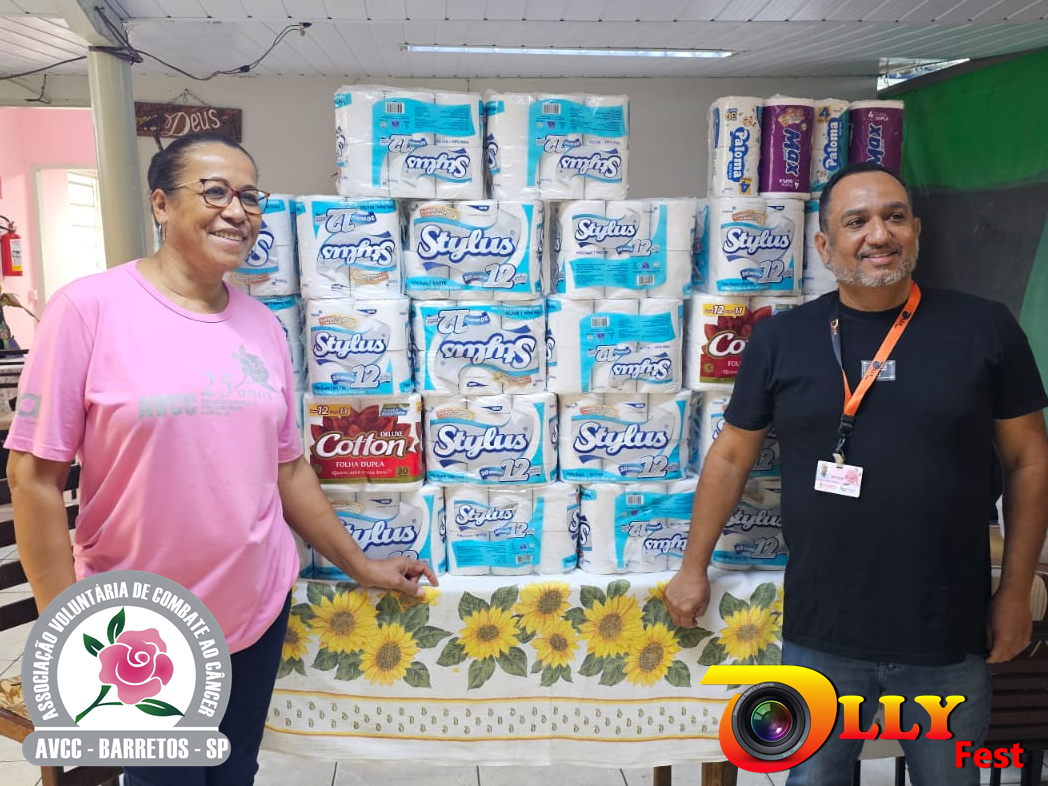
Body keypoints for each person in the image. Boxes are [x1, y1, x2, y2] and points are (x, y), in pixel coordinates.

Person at [4, 131, 438, 786]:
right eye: (214, 192)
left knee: (235, 773)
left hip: (255, 608)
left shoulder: (261, 327)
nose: (237, 210)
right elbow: (32, 477)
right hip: (137, 624)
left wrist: (361, 565)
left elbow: (287, 469)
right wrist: (66, 622)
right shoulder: (88, 310)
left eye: (250, 197)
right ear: (160, 203)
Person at [665, 162, 1048, 785]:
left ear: (917, 231)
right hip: (823, 633)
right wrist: (692, 566)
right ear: (825, 245)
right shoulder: (782, 338)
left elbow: (1029, 461)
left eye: (895, 217)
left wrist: (1014, 591)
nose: (879, 233)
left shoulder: (985, 328)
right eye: (857, 221)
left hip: (947, 630)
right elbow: (732, 455)